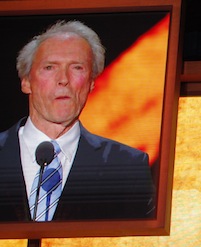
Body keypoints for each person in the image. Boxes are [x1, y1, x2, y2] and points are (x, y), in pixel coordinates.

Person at [0, 19, 154, 222]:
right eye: (49, 67)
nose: (63, 79)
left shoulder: (126, 167)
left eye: (77, 68)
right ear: (26, 82)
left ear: (91, 83)